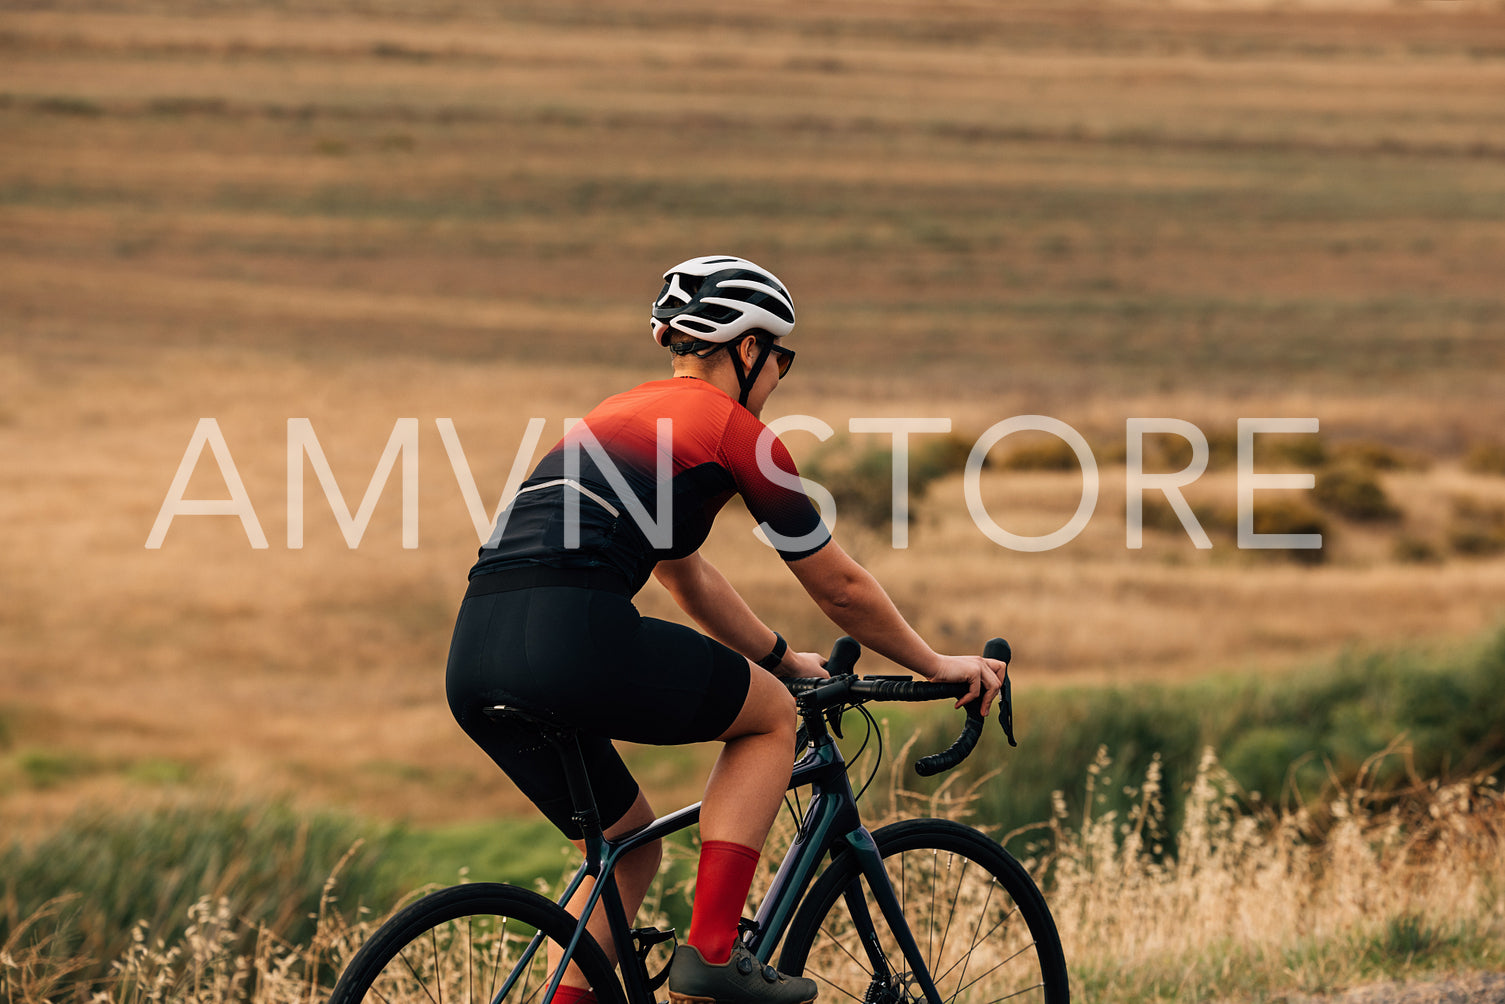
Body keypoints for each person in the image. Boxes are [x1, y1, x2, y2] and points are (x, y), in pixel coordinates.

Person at [445, 255, 1006, 1004]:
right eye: (781, 358)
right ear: (747, 350)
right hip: (572, 635)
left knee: (622, 850)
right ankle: (710, 960)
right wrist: (935, 662)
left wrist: (780, 655)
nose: (779, 377)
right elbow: (839, 587)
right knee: (769, 718)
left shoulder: (613, 416)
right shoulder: (735, 433)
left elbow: (685, 574)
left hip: (475, 653)